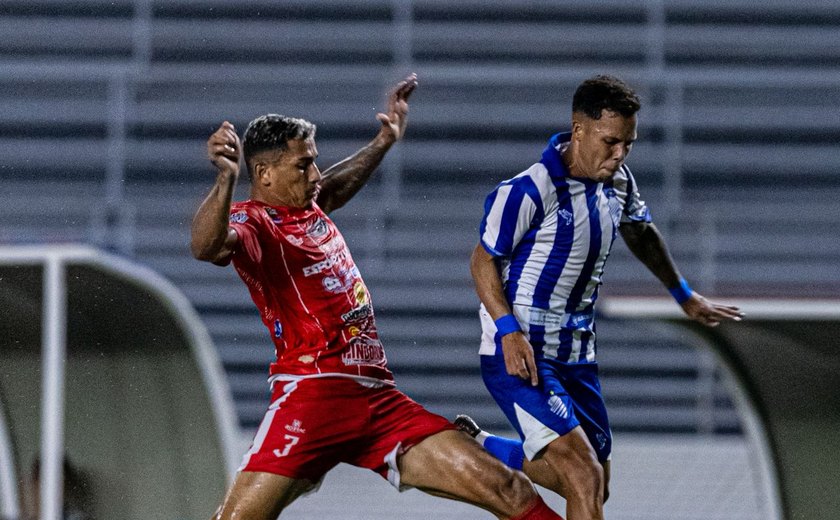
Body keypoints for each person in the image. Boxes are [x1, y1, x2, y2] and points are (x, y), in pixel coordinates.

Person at [191, 74, 562, 520]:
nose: (314, 174)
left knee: (508, 488)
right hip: (314, 395)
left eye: (313, 162)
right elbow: (207, 247)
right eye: (303, 165)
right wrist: (225, 180)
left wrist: (384, 140)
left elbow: (336, 187)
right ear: (264, 174)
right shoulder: (254, 224)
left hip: (377, 400)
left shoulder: (309, 205)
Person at [462, 75, 744, 520]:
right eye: (611, 142)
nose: (619, 155)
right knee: (585, 478)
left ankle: (482, 445)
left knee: (596, 484)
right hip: (524, 353)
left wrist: (684, 294)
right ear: (578, 129)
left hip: (578, 354)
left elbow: (641, 232)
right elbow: (482, 262)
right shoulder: (529, 190)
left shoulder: (619, 182)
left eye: (628, 145)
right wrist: (507, 330)